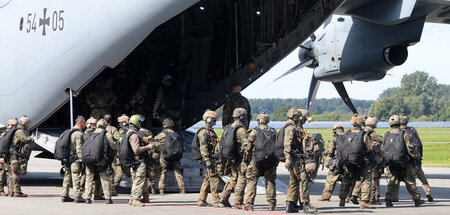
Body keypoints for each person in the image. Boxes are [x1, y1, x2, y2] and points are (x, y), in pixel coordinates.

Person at [383, 115, 423, 207]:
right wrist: (416, 156)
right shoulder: (404, 134)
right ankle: (417, 199)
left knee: (392, 182)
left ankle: (388, 201)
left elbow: (383, 149)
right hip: (404, 163)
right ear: (399, 123)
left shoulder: (387, 135)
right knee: (410, 181)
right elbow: (410, 148)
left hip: (391, 163)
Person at [337, 114, 375, 209]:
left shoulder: (347, 133)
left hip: (348, 161)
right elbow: (370, 148)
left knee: (346, 180)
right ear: (362, 123)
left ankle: (342, 200)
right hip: (361, 162)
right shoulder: (363, 135)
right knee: (366, 179)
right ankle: (364, 201)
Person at [242, 112, 278, 211]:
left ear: (258, 121)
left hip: (256, 161)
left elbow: (248, 148)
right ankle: (271, 204)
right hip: (271, 162)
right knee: (270, 182)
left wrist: (245, 161)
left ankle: (249, 204)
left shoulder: (255, 132)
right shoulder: (273, 131)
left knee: (252, 181)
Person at [284, 108, 316, 213]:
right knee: (303, 180)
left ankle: (290, 204)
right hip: (295, 158)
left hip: (295, 157)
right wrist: (288, 159)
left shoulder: (295, 126)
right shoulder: (291, 128)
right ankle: (305, 204)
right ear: (296, 117)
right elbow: (287, 144)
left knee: (293, 181)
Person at [219, 108, 249, 209]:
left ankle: (224, 197)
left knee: (234, 177)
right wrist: (247, 159)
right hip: (239, 158)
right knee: (242, 178)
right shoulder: (240, 129)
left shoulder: (229, 127)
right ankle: (238, 202)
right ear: (242, 117)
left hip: (230, 157)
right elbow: (246, 145)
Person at [400, 114, 433, 202]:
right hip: (416, 159)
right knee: (422, 178)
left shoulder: (399, 132)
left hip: (407, 161)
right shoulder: (412, 130)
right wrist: (419, 157)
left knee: (411, 180)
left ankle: (416, 196)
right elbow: (419, 144)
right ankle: (428, 191)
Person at [83, 119, 117, 204]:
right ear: (105, 126)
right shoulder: (107, 134)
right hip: (101, 160)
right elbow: (114, 146)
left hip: (89, 160)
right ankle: (108, 198)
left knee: (89, 179)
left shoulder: (90, 134)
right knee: (105, 179)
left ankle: (87, 198)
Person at [152, 118, 185, 194]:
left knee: (163, 172)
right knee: (178, 172)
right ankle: (182, 189)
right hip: (176, 157)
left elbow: (154, 141)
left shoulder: (162, 134)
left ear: (164, 125)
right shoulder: (176, 134)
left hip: (165, 156)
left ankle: (161, 189)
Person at [127, 115, 152, 207]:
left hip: (132, 161)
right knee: (139, 180)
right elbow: (136, 150)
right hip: (139, 161)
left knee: (136, 180)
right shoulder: (134, 135)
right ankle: (136, 200)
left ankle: (132, 198)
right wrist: (147, 147)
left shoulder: (129, 132)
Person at [5, 116, 34, 198]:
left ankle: (11, 191)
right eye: (28, 123)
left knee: (11, 173)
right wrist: (31, 139)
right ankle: (17, 192)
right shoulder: (19, 131)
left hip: (11, 155)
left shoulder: (13, 130)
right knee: (15, 173)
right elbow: (26, 139)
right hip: (15, 155)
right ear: (25, 123)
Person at [196, 110, 220, 207]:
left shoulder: (209, 130)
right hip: (209, 159)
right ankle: (216, 201)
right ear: (209, 119)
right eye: (214, 120)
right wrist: (207, 160)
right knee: (214, 179)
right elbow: (203, 147)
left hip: (211, 158)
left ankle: (202, 200)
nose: (215, 122)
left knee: (207, 179)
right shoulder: (203, 132)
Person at [61, 116, 86, 203]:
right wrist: (82, 160)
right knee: (76, 177)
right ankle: (78, 196)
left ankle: (64, 195)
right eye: (84, 122)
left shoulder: (69, 131)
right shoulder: (78, 134)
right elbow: (79, 148)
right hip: (75, 159)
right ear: (80, 123)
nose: (85, 124)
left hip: (67, 158)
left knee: (67, 177)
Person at [319, 123, 345, 201]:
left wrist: (324, 152)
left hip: (336, 162)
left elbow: (330, 151)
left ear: (334, 130)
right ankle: (343, 198)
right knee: (345, 181)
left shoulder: (334, 138)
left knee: (330, 180)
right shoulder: (347, 137)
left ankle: (326, 196)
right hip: (346, 162)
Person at [0, 118, 18, 196]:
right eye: (15, 125)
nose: (16, 126)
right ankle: (1, 191)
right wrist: (1, 157)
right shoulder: (6, 135)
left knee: (7, 173)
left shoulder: (7, 134)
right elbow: (2, 146)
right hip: (3, 156)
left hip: (6, 156)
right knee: (2, 173)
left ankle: (10, 191)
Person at [112, 114, 129, 194]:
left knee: (119, 172)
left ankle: (114, 187)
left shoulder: (122, 131)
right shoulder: (130, 130)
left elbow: (119, 141)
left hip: (121, 153)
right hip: (127, 153)